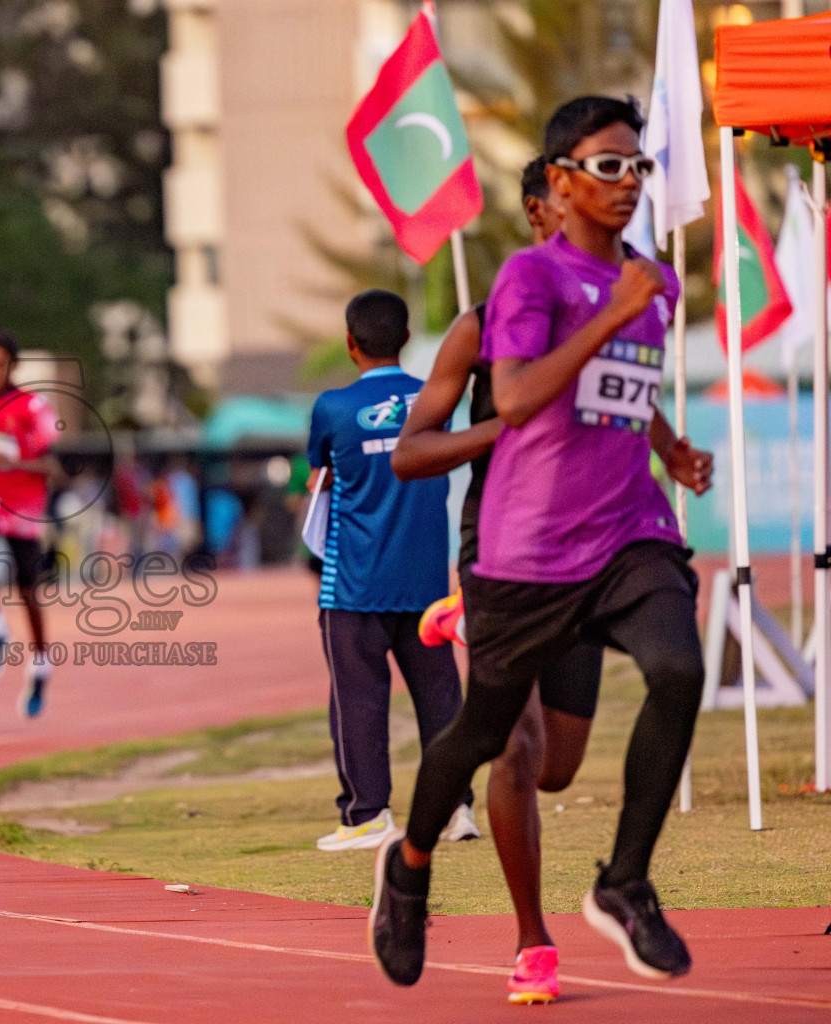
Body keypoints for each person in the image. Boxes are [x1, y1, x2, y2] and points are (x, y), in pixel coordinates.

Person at [370, 96, 715, 989]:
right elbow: (492, 417)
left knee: (671, 673)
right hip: (516, 549)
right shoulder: (508, 301)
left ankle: (625, 882)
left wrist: (668, 448)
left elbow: (622, 387)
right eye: (606, 170)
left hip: (624, 533)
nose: (627, 185)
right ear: (548, 199)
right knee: (498, 742)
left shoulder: (649, 287)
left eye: (637, 167)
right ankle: (423, 875)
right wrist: (507, 432)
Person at [306, 289, 477, 854]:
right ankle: (458, 809)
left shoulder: (331, 408)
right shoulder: (437, 398)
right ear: (406, 340)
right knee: (440, 697)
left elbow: (319, 480)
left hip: (353, 584)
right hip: (425, 578)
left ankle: (367, 815)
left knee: (358, 700)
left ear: (350, 343)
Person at [0, 330, 60, 717]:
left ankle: (40, 663)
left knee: (28, 592)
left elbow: (53, 466)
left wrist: (14, 462)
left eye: (1, 362)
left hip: (23, 505)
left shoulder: (33, 407)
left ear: (14, 365)